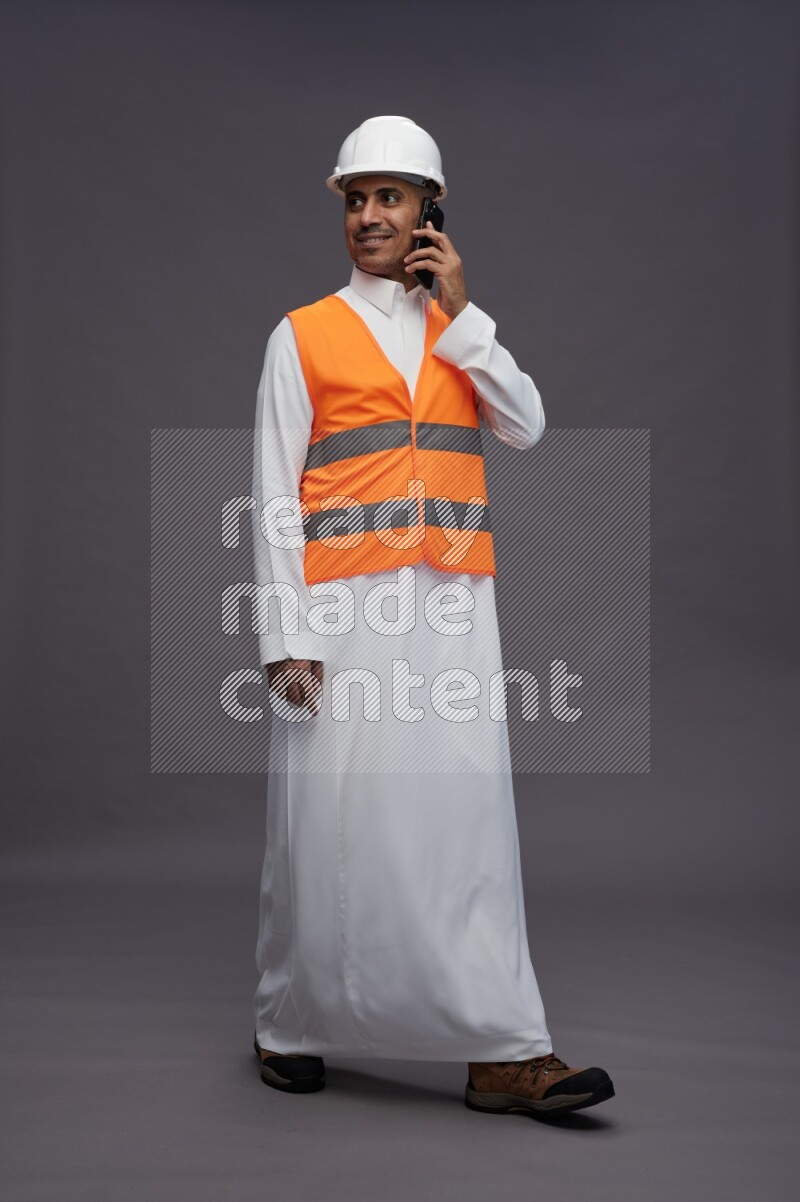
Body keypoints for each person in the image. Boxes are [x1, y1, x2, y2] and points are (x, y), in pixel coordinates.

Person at [250, 115, 614, 1117]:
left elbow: (526, 425)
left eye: (390, 197)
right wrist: (286, 638)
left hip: (450, 607)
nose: (369, 214)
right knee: (323, 821)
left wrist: (463, 314)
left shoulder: (458, 329)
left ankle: (502, 1048)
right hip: (336, 612)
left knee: (462, 821)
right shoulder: (302, 334)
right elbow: (276, 494)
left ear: (428, 212)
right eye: (356, 198)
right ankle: (289, 1019)